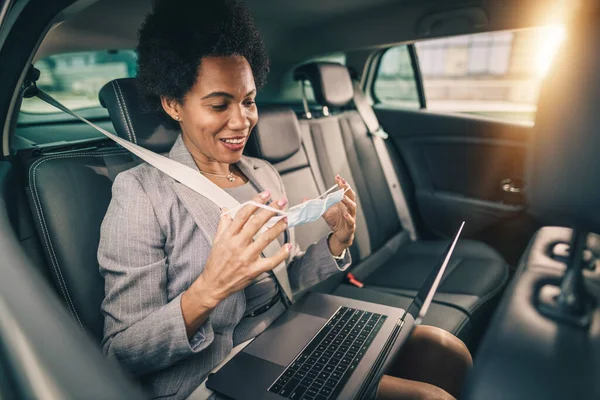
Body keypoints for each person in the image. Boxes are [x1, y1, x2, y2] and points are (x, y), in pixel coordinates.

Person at [98, 1, 472, 399]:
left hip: (287, 335)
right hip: (214, 375)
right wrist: (209, 290)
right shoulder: (140, 193)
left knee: (447, 351)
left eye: (248, 100)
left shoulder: (262, 173)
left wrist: (335, 245)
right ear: (174, 104)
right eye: (219, 104)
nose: (242, 121)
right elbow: (120, 351)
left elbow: (282, 281)